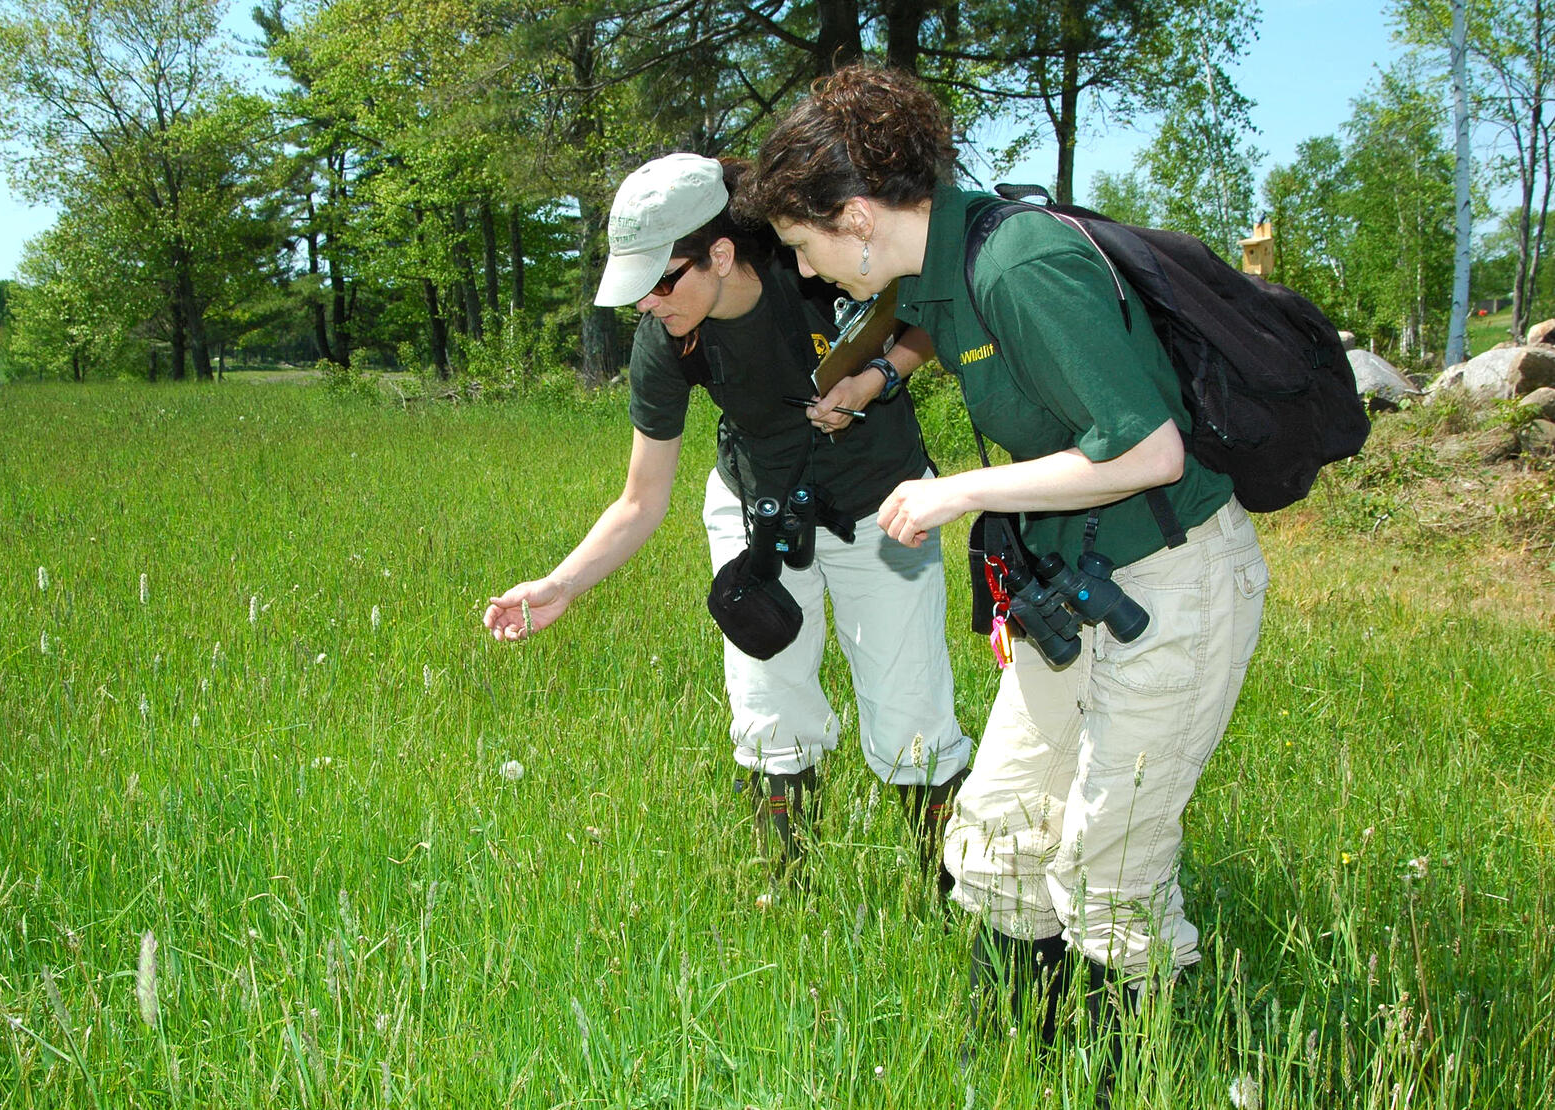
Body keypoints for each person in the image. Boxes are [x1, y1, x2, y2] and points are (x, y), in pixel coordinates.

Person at [739, 65, 1269, 1066]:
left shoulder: (1016, 260)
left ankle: (1130, 1078)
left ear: (854, 217)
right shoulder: (943, 272)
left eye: (804, 247)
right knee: (993, 845)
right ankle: (1019, 1065)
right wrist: (877, 375)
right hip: (1070, 590)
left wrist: (960, 493)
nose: (807, 274)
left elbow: (1147, 451)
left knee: (1108, 876)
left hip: (1173, 581)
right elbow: (944, 336)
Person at [482, 153, 971, 885]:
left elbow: (926, 304)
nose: (646, 304)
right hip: (760, 514)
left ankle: (951, 889)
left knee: (910, 723)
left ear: (718, 253)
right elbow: (641, 498)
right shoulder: (667, 339)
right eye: (636, 290)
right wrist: (561, 583)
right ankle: (785, 884)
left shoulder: (815, 255)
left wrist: (877, 377)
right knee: (769, 716)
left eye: (659, 281)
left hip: (885, 505)